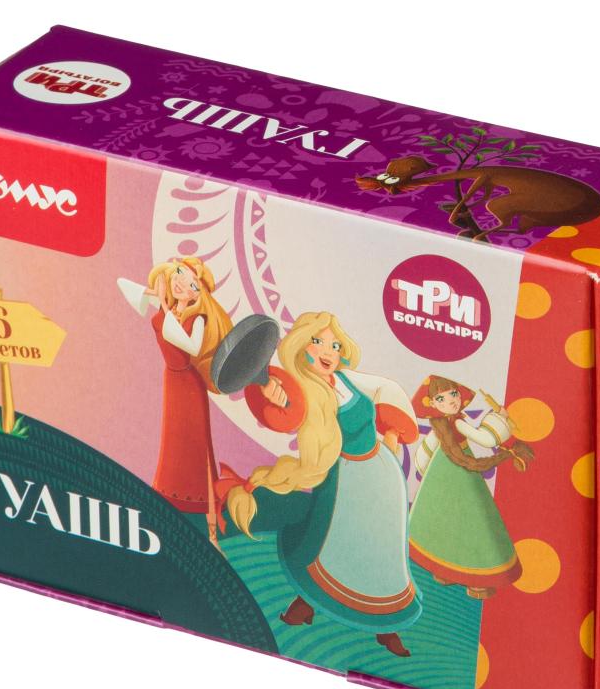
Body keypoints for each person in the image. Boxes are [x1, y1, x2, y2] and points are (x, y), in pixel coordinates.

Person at [218, 311, 421, 656]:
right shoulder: (300, 388)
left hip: (383, 477)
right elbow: (283, 414)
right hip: (346, 481)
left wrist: (390, 436)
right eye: (317, 341)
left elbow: (383, 393)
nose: (328, 351)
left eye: (335, 344)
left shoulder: (344, 380)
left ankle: (387, 626)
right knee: (335, 546)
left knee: (383, 551)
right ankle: (306, 605)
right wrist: (270, 394)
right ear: (300, 346)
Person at [118, 257, 232, 551]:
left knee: (199, 451)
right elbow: (123, 285)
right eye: (180, 274)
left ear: (199, 294)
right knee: (172, 449)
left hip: (189, 387)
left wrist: (165, 306)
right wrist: (157, 295)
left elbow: (190, 346)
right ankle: (169, 511)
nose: (183, 283)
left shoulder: (197, 319)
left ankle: (211, 532)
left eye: (193, 284)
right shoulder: (166, 309)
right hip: (173, 384)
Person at [408, 375, 533, 599]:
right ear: (433, 403)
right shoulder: (454, 423)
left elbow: (425, 453)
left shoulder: (449, 423)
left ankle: (448, 571)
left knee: (457, 520)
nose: (451, 401)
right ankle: (467, 576)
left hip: (443, 474)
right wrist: (500, 419)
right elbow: (485, 439)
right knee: (470, 522)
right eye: (441, 398)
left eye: (454, 394)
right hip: (455, 475)